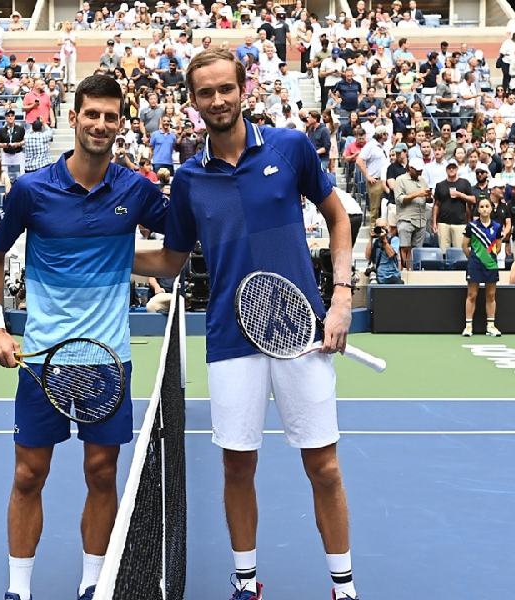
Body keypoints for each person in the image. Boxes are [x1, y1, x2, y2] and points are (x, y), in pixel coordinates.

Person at [132, 49, 359, 600]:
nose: (217, 100)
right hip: (232, 339)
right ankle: (245, 582)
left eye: (225, 89)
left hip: (303, 332)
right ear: (192, 102)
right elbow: (171, 260)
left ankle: (344, 587)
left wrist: (342, 296)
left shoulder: (289, 146)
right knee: (238, 467)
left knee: (324, 468)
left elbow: (338, 216)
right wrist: (105, 249)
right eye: (205, 93)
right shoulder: (187, 180)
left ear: (243, 89)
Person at [0, 74, 167, 600]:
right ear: (74, 118)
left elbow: (176, 247)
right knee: (27, 475)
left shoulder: (136, 189)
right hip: (42, 362)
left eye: (111, 117)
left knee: (101, 472)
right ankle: (19, 590)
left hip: (108, 361)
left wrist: (137, 259)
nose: (100, 124)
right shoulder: (31, 190)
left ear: (120, 125)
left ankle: (92, 586)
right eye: (92, 114)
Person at [461, 197, 503, 337]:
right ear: (478, 209)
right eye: (482, 207)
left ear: (491, 209)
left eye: (487, 206)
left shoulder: (497, 227)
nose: (484, 209)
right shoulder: (471, 227)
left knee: (491, 295)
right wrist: (474, 258)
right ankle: (468, 326)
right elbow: (464, 246)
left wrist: (488, 258)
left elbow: (498, 247)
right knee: (472, 295)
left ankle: (491, 326)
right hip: (475, 265)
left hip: (490, 265)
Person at [394, 156, 430, 269]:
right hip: (406, 219)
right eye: (417, 170)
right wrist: (418, 194)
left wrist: (429, 196)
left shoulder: (423, 180)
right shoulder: (400, 180)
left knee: (415, 250)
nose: (419, 173)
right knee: (404, 247)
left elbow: (427, 199)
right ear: (410, 168)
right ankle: (401, 271)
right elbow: (400, 199)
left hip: (421, 220)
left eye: (421, 171)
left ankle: (412, 270)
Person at [365, 217, 403, 284]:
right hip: (379, 277)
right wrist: (371, 238)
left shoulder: (394, 240)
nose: (380, 229)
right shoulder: (376, 242)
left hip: (392, 275)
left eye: (383, 227)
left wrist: (384, 240)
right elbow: (367, 256)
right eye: (378, 227)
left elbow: (391, 254)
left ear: (388, 228)